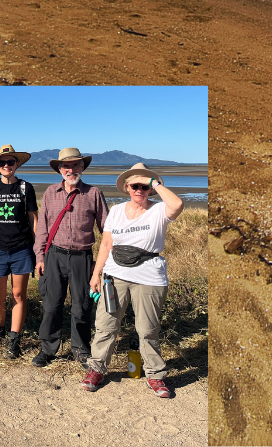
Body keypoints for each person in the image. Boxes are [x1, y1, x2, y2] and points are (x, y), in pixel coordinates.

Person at [82, 163, 184, 398]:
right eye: (135, 185)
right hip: (114, 276)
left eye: (144, 186)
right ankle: (96, 368)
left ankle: (155, 374)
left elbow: (178, 204)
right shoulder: (117, 211)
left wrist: (154, 182)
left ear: (151, 189)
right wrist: (96, 274)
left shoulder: (159, 210)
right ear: (127, 187)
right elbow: (106, 244)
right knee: (106, 325)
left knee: (148, 329)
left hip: (149, 277)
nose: (139, 190)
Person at [32, 148, 108, 367]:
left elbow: (106, 230)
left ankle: (81, 350)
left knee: (81, 306)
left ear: (82, 167)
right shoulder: (50, 193)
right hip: (54, 256)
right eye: (66, 166)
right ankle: (48, 349)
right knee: (51, 305)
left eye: (75, 165)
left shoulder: (94, 193)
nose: (71, 170)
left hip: (82, 258)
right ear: (59, 169)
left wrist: (101, 264)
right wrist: (40, 257)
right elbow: (42, 229)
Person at [0, 144, 37, 359]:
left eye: (10, 162)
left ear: (16, 164)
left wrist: (37, 249)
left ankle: (14, 338)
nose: (6, 165)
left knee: (18, 295)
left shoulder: (25, 188)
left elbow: (34, 220)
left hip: (21, 249)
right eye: (2, 162)